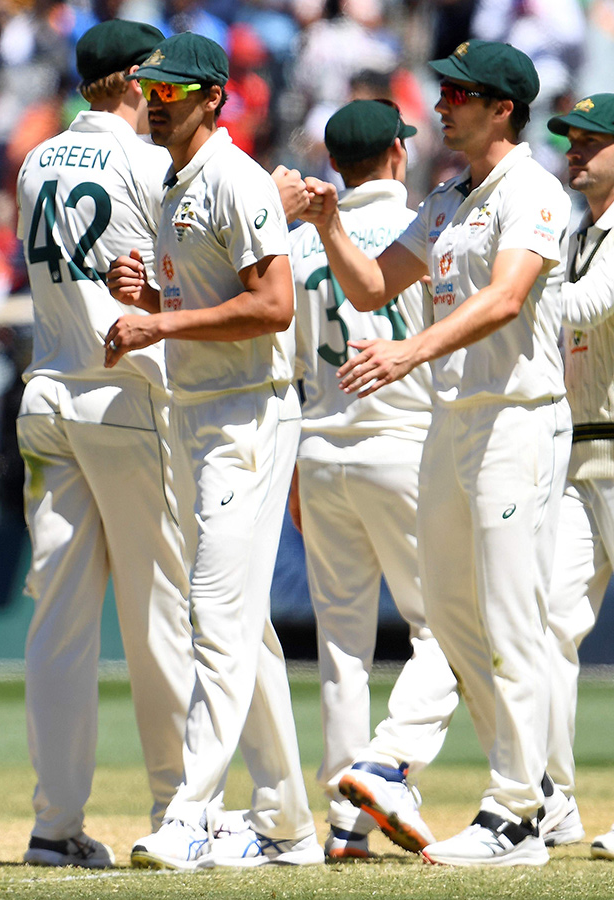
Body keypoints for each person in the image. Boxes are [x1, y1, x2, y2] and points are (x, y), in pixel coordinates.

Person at [302, 40, 572, 866]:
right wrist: (325, 223)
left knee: (510, 620)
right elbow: (372, 286)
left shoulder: (532, 189)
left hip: (517, 420)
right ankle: (532, 798)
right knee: (454, 621)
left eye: (460, 95)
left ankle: (515, 814)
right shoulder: (453, 196)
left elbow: (507, 298)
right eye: (444, 92)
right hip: (455, 423)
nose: (443, 106)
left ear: (503, 109)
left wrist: (407, 354)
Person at [103, 32, 321, 869]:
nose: (155, 104)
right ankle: (290, 825)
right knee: (243, 628)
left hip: (250, 418)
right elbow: (216, 300)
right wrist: (152, 295)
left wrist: (157, 320)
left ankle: (193, 812)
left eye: (170, 93)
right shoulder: (173, 182)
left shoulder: (236, 179)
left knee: (215, 617)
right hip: (197, 413)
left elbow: (272, 306)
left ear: (212, 99)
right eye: (148, 92)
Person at [13, 19, 193, 869]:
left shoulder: (35, 160)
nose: (166, 96)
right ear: (128, 80)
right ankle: (177, 809)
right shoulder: (148, 161)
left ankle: (55, 827)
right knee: (159, 610)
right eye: (157, 80)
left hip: (48, 391)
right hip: (126, 390)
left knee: (59, 622)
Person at [287, 99, 459, 861]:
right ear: (397, 152)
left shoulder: (297, 245)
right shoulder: (428, 227)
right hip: (406, 445)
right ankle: (381, 766)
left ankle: (345, 827)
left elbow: (287, 371)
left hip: (320, 446)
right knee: (448, 628)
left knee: (343, 646)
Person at [542, 92, 614, 859]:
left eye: (595, 140)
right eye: (571, 137)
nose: (576, 149)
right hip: (575, 452)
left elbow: (591, 306)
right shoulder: (571, 234)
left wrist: (510, 283)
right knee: (549, 625)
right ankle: (553, 800)